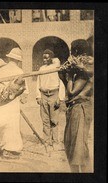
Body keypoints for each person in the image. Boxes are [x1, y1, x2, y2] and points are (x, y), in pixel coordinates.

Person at [58, 39, 94, 173]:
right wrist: (62, 74)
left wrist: (68, 76)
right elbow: (68, 89)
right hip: (73, 109)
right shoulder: (79, 70)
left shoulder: (88, 68)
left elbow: (72, 91)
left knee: (79, 147)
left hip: (81, 108)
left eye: (73, 51)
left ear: (79, 52)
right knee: (69, 144)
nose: (71, 54)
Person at [36, 49, 65, 151]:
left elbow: (61, 83)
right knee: (45, 120)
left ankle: (55, 142)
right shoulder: (41, 68)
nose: (45, 59)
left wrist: (60, 98)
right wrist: (38, 96)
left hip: (54, 94)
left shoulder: (56, 67)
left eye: (47, 57)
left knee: (54, 120)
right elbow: (38, 83)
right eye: (44, 57)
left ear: (51, 58)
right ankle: (46, 141)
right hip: (43, 94)